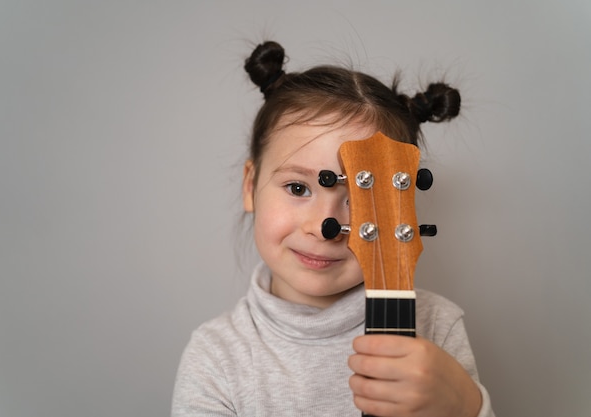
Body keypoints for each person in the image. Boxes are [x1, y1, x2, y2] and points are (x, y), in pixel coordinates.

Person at [172, 40, 495, 417]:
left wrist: (466, 406)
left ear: (400, 204)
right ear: (250, 186)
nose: (325, 228)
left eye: (359, 198)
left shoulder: (437, 325)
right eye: (298, 188)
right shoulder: (215, 357)